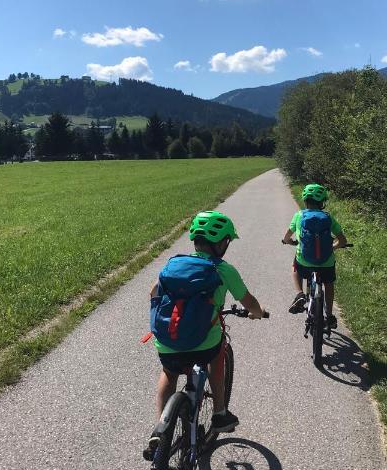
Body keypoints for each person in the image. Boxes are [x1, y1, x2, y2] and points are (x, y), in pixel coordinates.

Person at [147, 211, 265, 456]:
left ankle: (160, 427)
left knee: (169, 373)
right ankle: (220, 413)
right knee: (216, 355)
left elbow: (153, 294)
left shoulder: (173, 265)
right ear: (222, 242)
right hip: (204, 344)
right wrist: (257, 312)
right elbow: (248, 301)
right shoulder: (224, 270)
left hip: (168, 343)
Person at [282, 183, 347, 328]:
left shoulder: (299, 216)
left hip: (304, 261)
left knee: (295, 267)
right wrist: (332, 247)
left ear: (305, 200)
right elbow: (342, 241)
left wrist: (289, 242)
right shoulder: (328, 217)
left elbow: (286, 237)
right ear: (322, 202)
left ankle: (299, 294)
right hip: (326, 263)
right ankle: (329, 316)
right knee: (328, 285)